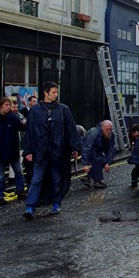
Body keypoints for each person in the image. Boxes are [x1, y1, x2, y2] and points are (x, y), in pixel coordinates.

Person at [22, 81, 81, 219]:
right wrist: (28, 151)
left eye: (56, 92)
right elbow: (29, 132)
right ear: (46, 93)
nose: (56, 94)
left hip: (58, 152)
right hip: (40, 153)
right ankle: (30, 207)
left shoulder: (63, 110)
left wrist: (75, 147)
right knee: (36, 179)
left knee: (57, 179)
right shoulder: (35, 111)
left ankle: (56, 203)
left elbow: (71, 129)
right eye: (53, 92)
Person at [0, 97, 27, 205]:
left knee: (18, 172)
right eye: (6, 105)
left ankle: (20, 191)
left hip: (11, 151)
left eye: (9, 105)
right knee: (0, 176)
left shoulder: (13, 118)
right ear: (0, 106)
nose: (8, 107)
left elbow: (22, 127)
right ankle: (0, 196)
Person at [81, 120, 116, 189]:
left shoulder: (111, 135)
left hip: (97, 149)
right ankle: (97, 181)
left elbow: (111, 149)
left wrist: (108, 162)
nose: (109, 131)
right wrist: (85, 164)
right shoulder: (94, 132)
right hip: (88, 147)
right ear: (102, 127)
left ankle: (87, 178)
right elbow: (86, 147)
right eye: (107, 129)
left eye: (110, 129)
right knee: (97, 160)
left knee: (103, 160)